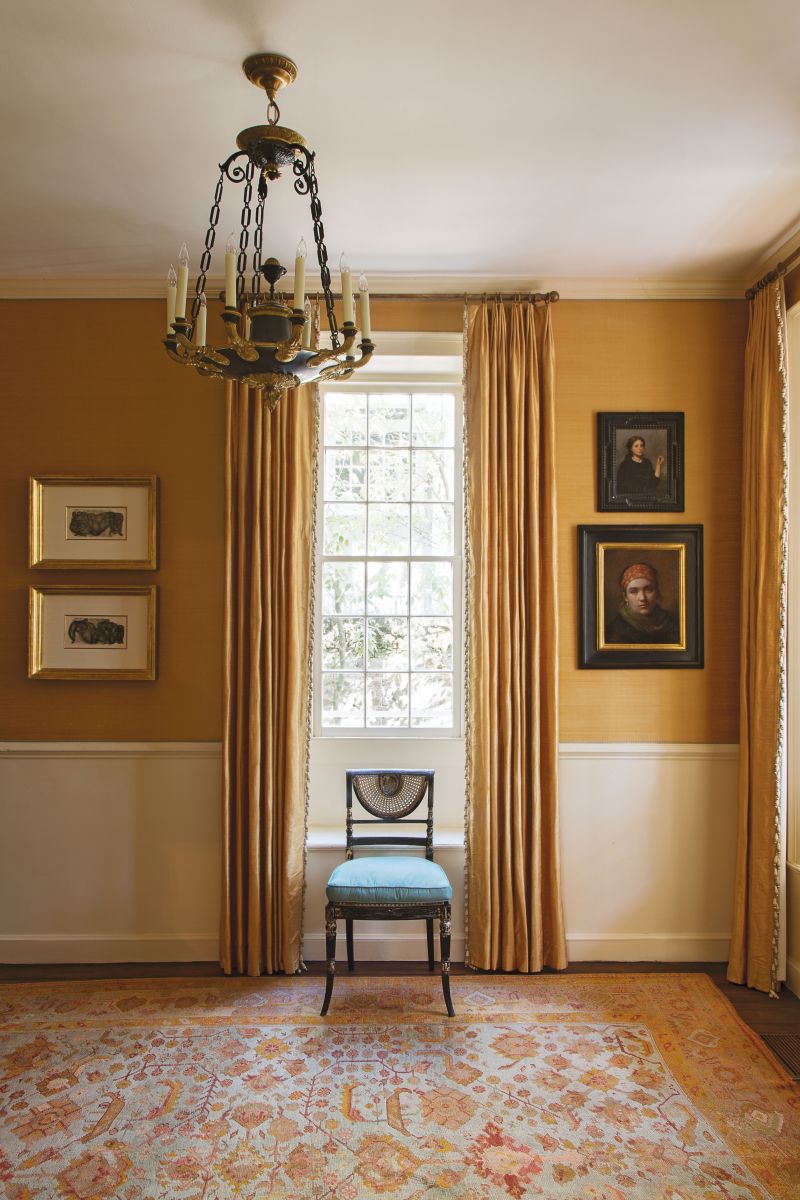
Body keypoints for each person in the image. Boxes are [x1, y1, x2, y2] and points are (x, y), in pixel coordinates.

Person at [605, 562, 680, 645]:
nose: (642, 598)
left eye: (648, 590)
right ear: (625, 597)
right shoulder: (614, 631)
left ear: (657, 592)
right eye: (633, 591)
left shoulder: (671, 623)